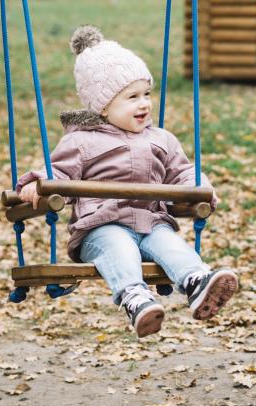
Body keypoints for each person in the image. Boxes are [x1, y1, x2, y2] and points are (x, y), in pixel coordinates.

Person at [17, 26, 238, 338]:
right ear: (104, 107)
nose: (144, 104)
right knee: (119, 247)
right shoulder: (81, 141)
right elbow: (58, 174)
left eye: (146, 94)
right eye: (132, 97)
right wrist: (37, 183)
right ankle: (135, 300)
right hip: (101, 227)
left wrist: (200, 186)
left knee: (172, 245)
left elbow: (183, 173)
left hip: (151, 222)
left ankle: (197, 282)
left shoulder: (161, 139)